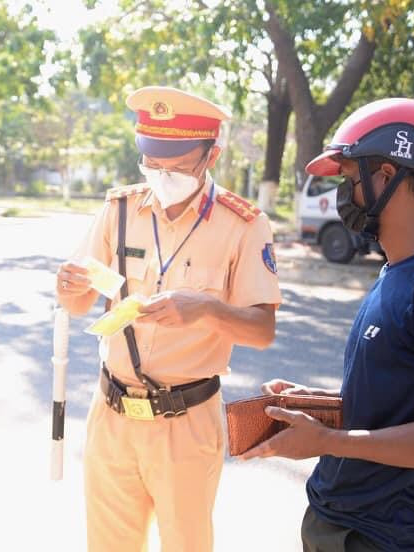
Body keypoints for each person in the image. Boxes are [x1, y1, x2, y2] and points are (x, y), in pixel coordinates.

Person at [240, 98, 414, 552]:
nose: (344, 193)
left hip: (386, 537)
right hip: (341, 522)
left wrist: (331, 440)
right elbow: (400, 403)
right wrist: (323, 406)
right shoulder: (396, 271)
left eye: (347, 177)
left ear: (385, 174)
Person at [56, 86, 282, 551]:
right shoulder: (119, 210)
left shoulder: (244, 224)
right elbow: (79, 305)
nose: (162, 173)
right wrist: (67, 287)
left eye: (176, 164)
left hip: (185, 421)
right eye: (151, 161)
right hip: (112, 413)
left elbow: (262, 331)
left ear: (210, 155)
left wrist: (208, 310)